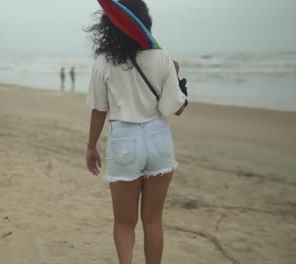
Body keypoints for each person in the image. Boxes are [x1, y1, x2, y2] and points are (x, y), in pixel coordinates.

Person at [84, 1, 188, 264]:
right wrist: (175, 75)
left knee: (124, 222)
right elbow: (175, 109)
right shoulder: (163, 58)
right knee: (153, 221)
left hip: (124, 140)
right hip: (158, 138)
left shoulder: (103, 62)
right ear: (144, 22)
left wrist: (91, 146)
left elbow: (99, 110)